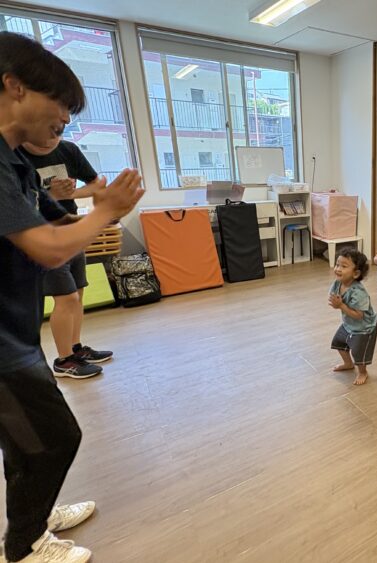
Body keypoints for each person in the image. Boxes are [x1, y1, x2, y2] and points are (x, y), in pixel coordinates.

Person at [0, 31, 143, 563]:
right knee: (55, 438)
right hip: (1, 343)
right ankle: (24, 546)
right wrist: (106, 210)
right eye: (59, 103)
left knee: (25, 440)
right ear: (15, 86)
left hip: (14, 329)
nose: (65, 117)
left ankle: (32, 516)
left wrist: (97, 205)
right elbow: (48, 249)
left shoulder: (16, 162)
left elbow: (56, 224)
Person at [21, 138, 112, 378]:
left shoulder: (68, 149)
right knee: (66, 297)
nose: (52, 137)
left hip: (70, 230)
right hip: (42, 237)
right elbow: (15, 202)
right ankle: (64, 360)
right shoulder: (14, 154)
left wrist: (71, 193)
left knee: (77, 293)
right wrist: (50, 195)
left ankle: (75, 349)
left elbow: (96, 184)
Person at [329, 248, 377, 385]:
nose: (338, 269)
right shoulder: (338, 283)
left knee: (358, 353)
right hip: (348, 324)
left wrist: (340, 305)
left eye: (344, 266)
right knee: (339, 343)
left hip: (364, 328)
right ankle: (348, 364)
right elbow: (334, 298)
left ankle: (363, 372)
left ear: (356, 273)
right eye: (337, 264)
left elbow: (358, 315)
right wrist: (336, 303)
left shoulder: (359, 292)